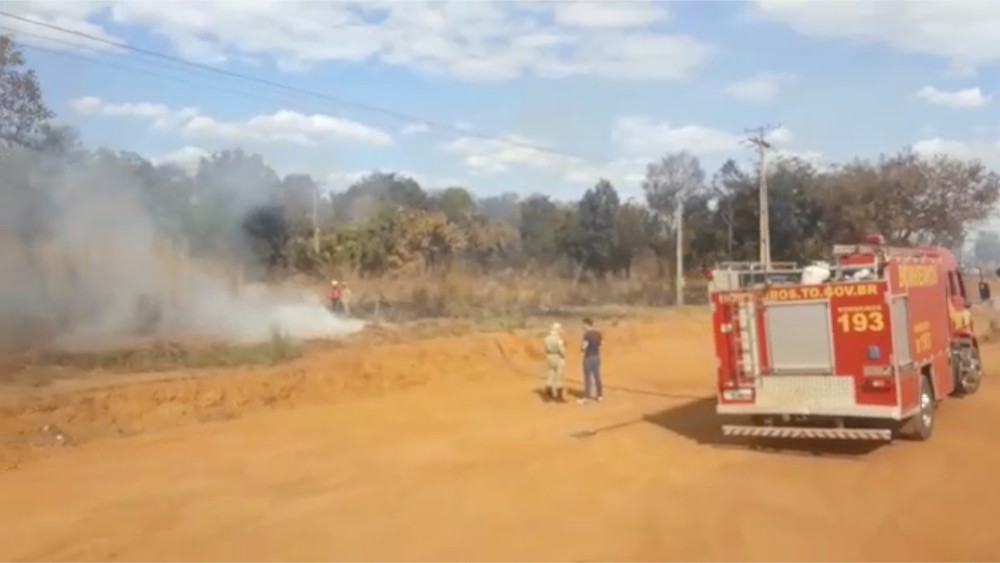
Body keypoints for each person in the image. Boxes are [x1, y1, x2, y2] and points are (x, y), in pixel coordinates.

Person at [579, 317, 603, 404]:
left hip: (588, 357)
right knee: (597, 376)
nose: (582, 327)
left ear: (586, 324)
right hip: (596, 356)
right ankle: (599, 395)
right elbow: (600, 346)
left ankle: (586, 397)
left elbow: (584, 346)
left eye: (583, 325)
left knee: (587, 377)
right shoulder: (598, 334)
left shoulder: (587, 335)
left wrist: (581, 350)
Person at [542, 322, 566, 403]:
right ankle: (559, 397)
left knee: (550, 375)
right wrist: (564, 351)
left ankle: (547, 395)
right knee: (559, 377)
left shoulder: (546, 338)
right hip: (557, 357)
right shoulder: (558, 339)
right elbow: (562, 351)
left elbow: (545, 348)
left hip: (549, 357)